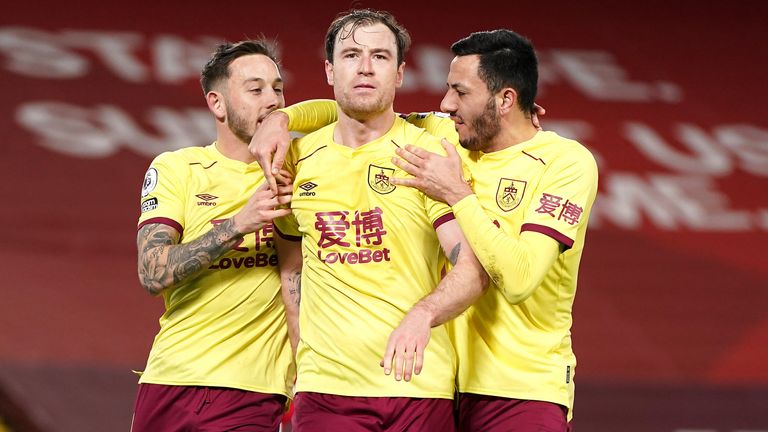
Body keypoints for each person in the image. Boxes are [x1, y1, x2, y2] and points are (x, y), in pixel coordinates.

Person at [250, 29, 597, 432]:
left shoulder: (564, 162)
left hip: (520, 388)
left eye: (461, 93)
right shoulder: (447, 134)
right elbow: (355, 107)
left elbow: (519, 280)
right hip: (440, 382)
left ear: (505, 101)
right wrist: (282, 118)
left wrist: (457, 193)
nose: (446, 104)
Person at [270, 9, 488, 431]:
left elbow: (473, 267)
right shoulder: (297, 161)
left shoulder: (425, 156)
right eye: (351, 55)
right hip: (327, 393)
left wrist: (423, 314)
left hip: (418, 389)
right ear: (330, 71)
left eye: (380, 56)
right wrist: (302, 354)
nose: (366, 67)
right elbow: (291, 263)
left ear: (401, 73)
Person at [131, 40, 295, 431]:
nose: (272, 100)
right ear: (217, 104)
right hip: (171, 379)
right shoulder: (178, 168)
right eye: (255, 90)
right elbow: (152, 274)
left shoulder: (304, 168)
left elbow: (339, 111)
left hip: (253, 390)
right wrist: (238, 224)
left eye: (278, 88)